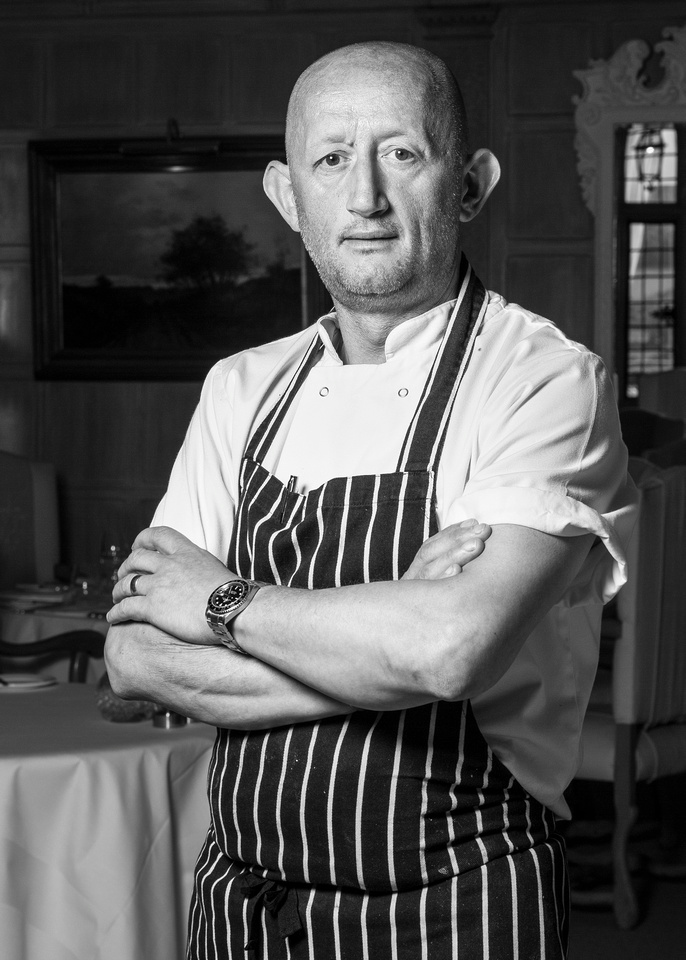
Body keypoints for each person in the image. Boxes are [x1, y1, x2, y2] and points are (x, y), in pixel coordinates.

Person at [105, 40, 636, 960]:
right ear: (287, 196)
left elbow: (447, 648)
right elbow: (134, 657)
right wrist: (389, 644)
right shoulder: (239, 387)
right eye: (331, 158)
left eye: (401, 152)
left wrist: (218, 600)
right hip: (243, 908)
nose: (365, 197)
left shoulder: (546, 380)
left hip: (459, 906)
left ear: (468, 185)